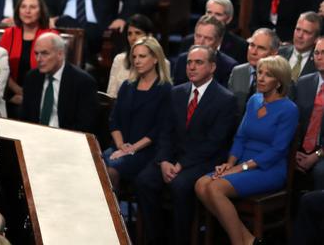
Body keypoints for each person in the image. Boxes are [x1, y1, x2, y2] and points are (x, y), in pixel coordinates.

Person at [135, 45, 237, 245]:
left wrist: (181, 164)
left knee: (180, 185)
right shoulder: (177, 93)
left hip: (202, 160)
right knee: (144, 181)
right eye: (189, 62)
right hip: (172, 157)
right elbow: (165, 132)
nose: (192, 67)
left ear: (212, 67)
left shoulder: (225, 99)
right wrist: (164, 160)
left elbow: (214, 143)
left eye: (198, 62)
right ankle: (155, 239)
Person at [195, 55, 298, 245]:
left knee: (215, 188)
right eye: (259, 73)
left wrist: (241, 168)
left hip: (269, 169)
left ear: (279, 82)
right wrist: (230, 164)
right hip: (242, 164)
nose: (261, 78)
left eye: (268, 75)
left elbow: (278, 150)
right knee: (201, 185)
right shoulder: (254, 100)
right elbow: (241, 137)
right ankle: (249, 240)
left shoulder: (289, 109)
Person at [103, 37, 172, 193]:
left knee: (111, 170)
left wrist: (131, 149)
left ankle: (114, 216)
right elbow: (114, 120)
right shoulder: (127, 86)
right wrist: (121, 146)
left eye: (142, 56)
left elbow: (158, 129)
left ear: (155, 59)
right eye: (134, 57)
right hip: (120, 146)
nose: (137, 61)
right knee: (93, 165)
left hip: (145, 151)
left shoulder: (165, 90)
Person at [21, 33, 98, 132]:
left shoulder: (83, 82)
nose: (38, 59)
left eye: (44, 53)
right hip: (34, 137)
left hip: (68, 139)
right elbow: (25, 117)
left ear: (60, 54)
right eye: (36, 53)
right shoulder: (32, 78)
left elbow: (85, 125)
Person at [0, 0, 57, 118]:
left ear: (41, 10)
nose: (27, 11)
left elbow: (52, 73)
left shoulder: (51, 36)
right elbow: (0, 68)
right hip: (10, 94)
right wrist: (15, 92)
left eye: (33, 7)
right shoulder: (9, 34)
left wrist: (27, 96)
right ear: (18, 10)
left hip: (41, 95)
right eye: (23, 6)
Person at [107, 14, 170, 99]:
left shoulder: (163, 63)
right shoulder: (119, 60)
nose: (133, 38)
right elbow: (111, 95)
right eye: (129, 34)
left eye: (138, 33)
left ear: (149, 36)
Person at [292, 36, 324, 189]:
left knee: (320, 172)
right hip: (300, 149)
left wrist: (316, 156)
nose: (319, 57)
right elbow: (294, 121)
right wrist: (294, 152)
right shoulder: (303, 82)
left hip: (321, 152)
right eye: (317, 53)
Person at [228, 28, 281, 121]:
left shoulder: (280, 79)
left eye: (261, 48)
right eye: (252, 45)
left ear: (273, 53)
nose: (253, 52)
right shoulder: (237, 71)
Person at [173, 15, 238, 86]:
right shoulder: (182, 60)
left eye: (208, 38)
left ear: (219, 41)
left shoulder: (229, 67)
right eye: (198, 36)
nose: (201, 42)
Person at [279, 11, 321, 81]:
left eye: (306, 32)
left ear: (316, 39)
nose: (300, 35)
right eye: (298, 29)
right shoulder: (279, 53)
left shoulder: (319, 62)